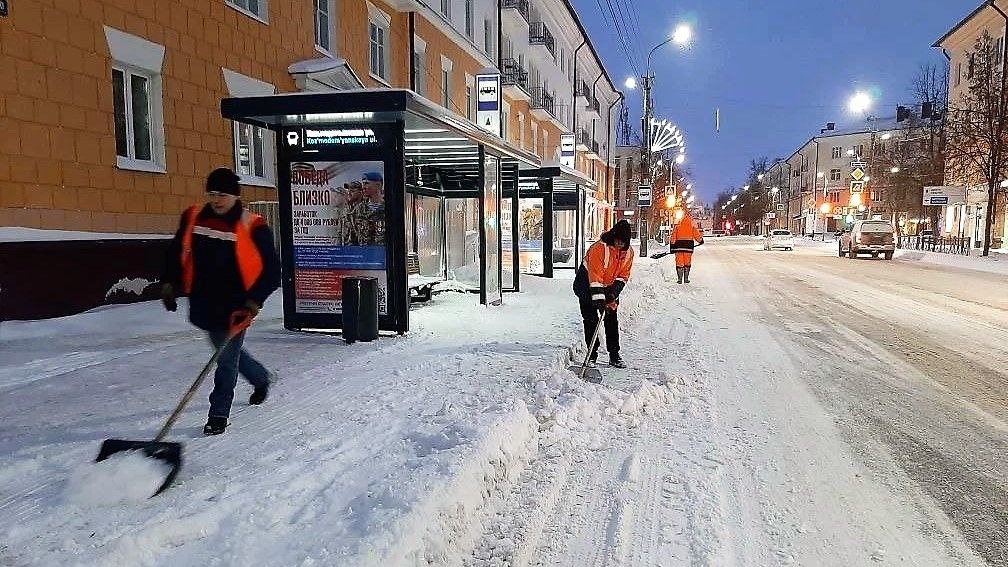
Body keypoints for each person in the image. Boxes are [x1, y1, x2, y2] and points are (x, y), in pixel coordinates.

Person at [161, 168, 281, 436]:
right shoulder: (193, 217)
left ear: (235, 195)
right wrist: (169, 282)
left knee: (225, 359)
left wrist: (253, 303)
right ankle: (261, 377)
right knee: (225, 351)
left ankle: (218, 414)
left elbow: (273, 270)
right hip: (203, 300)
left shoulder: (253, 225)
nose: (216, 200)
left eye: (222, 194)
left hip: (236, 305)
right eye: (212, 193)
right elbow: (175, 250)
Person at [572, 219, 635, 369]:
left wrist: (613, 294)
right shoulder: (599, 249)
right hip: (586, 284)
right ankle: (592, 355)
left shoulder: (628, 253)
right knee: (591, 319)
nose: (619, 245)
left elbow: (623, 276)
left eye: (623, 242)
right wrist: (600, 300)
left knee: (611, 319)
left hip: (608, 285)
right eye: (618, 241)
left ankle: (614, 355)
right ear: (613, 236)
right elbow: (595, 277)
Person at [669, 208, 704, 284]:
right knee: (687, 263)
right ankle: (686, 278)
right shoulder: (692, 227)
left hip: (679, 248)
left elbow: (673, 238)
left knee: (679, 263)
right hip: (688, 248)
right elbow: (697, 235)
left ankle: (679, 279)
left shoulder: (677, 227)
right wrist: (701, 241)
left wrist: (672, 247)